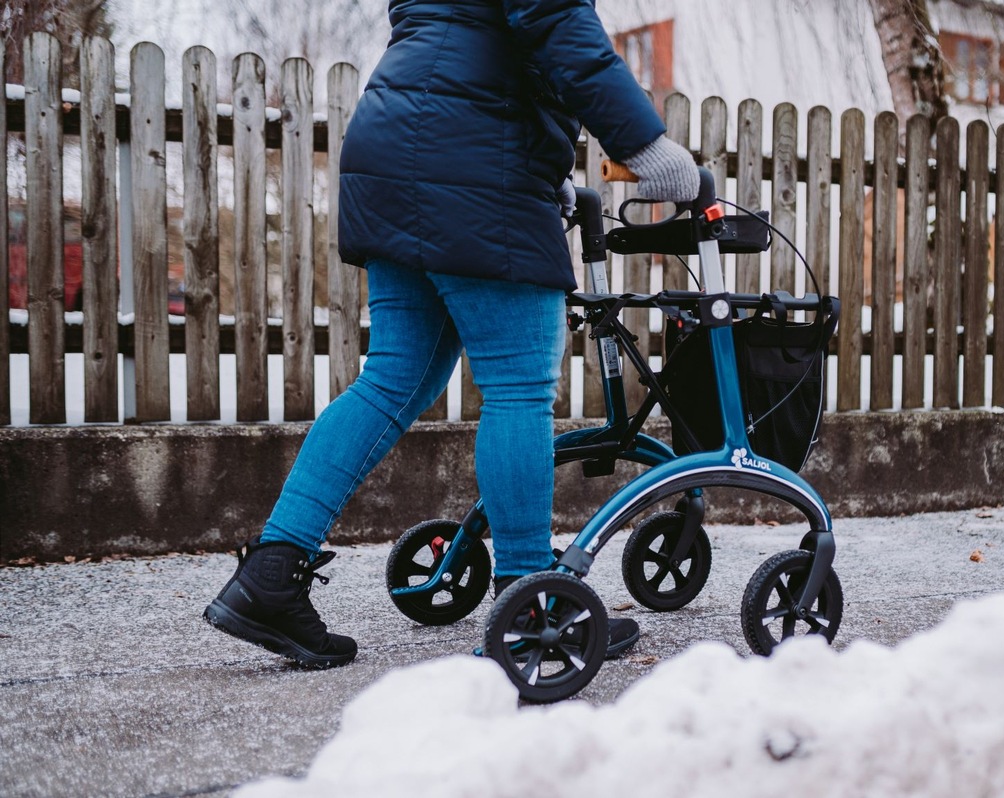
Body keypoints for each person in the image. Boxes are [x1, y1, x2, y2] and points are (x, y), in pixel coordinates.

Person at [203, 0, 700, 669]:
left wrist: (544, 164)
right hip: (471, 170)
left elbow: (476, 48)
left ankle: (270, 573)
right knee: (519, 387)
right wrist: (649, 149)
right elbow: (562, 33)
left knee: (391, 380)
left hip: (393, 153)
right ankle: (530, 600)